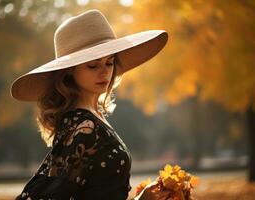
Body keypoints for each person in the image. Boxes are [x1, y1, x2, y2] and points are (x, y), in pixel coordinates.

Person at [11, 9, 168, 200]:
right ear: (69, 71)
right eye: (93, 65)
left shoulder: (93, 118)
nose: (104, 72)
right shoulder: (84, 126)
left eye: (109, 63)